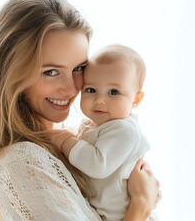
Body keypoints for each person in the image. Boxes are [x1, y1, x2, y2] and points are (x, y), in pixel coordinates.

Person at [0, 0, 161, 221]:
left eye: (78, 69)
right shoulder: (23, 160)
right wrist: (140, 206)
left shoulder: (74, 142)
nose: (71, 89)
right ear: (12, 74)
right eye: (50, 72)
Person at [49, 45, 159, 221]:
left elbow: (96, 164)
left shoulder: (125, 131)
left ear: (136, 100)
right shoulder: (96, 126)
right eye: (91, 90)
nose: (100, 100)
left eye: (114, 92)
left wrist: (65, 140)